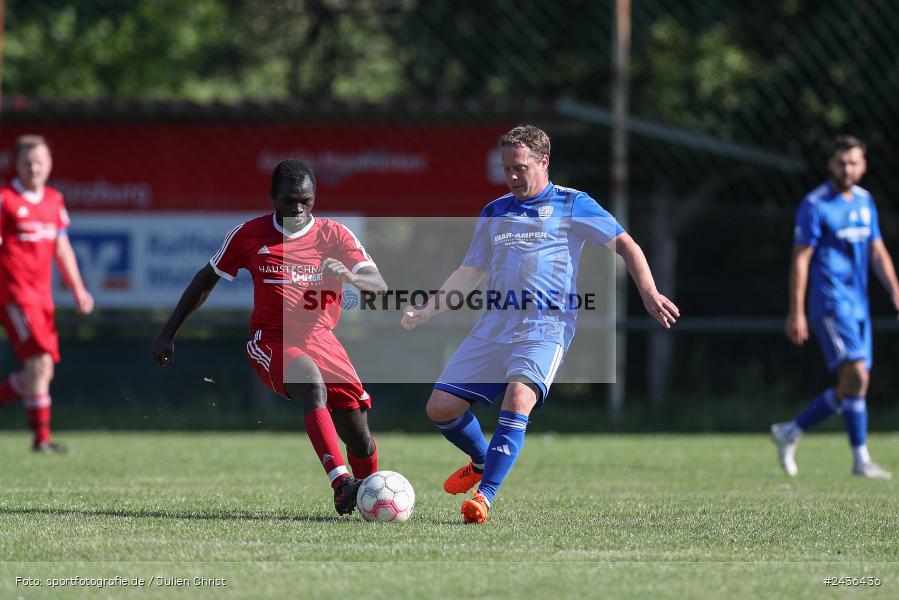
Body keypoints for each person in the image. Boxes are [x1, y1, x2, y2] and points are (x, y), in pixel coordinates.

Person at [402, 124, 679, 524]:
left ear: (543, 162)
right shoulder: (495, 211)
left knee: (518, 399)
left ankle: (485, 496)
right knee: (440, 408)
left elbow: (626, 244)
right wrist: (428, 309)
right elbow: (470, 270)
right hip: (494, 325)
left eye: (520, 167)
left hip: (544, 328)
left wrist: (649, 293)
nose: (512, 176)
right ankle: (483, 461)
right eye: (506, 169)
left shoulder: (572, 204)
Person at [150, 159, 387, 515]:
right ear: (272, 196)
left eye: (305, 201)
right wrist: (167, 333)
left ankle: (374, 499)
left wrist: (353, 278)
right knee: (311, 383)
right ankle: (341, 484)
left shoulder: (335, 235)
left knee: (359, 436)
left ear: (315, 199)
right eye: (289, 200)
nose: (297, 208)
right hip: (272, 340)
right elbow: (206, 279)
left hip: (323, 340)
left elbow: (379, 287)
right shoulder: (249, 234)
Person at [772, 135, 899, 479]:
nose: (847, 169)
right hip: (830, 303)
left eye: (853, 162)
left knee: (855, 383)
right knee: (857, 375)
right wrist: (796, 309)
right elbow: (801, 259)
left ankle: (792, 431)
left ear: (863, 165)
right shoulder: (815, 204)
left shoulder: (865, 201)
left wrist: (895, 289)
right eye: (841, 162)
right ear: (831, 164)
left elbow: (877, 251)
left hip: (859, 305)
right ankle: (859, 459)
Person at [0, 135, 94, 452]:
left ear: (50, 164)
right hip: (15, 295)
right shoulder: (5, 200)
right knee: (39, 363)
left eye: (39, 161)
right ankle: (42, 440)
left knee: (40, 372)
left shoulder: (54, 200)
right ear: (17, 164)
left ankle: (41, 437)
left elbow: (62, 247)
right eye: (27, 162)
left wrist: (78, 288)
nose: (34, 167)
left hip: (43, 298)